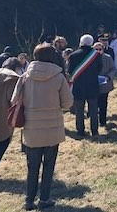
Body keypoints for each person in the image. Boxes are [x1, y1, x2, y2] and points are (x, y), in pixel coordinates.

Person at [12, 43, 73, 210]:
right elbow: (68, 103)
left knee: (32, 167)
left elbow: (14, 100)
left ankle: (29, 200)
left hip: (31, 127)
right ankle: (45, 198)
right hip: (53, 126)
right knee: (49, 165)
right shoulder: (59, 76)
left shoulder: (25, 77)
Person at [67, 34, 102, 138]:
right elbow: (99, 69)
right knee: (94, 110)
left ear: (81, 42)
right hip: (92, 86)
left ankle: (80, 131)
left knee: (79, 110)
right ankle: (94, 131)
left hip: (78, 86)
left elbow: (70, 71)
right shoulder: (96, 55)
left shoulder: (73, 55)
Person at [93, 42, 115, 128]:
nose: (98, 51)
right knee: (94, 104)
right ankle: (94, 121)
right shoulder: (89, 59)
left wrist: (108, 77)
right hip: (93, 85)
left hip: (104, 84)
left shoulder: (108, 58)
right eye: (96, 49)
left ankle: (103, 121)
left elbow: (113, 68)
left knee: (103, 103)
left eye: (100, 49)